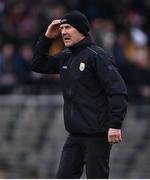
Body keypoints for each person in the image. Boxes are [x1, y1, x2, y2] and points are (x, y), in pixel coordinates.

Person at [31, 10, 128, 179]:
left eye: (68, 27)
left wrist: (115, 124)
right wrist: (47, 37)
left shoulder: (98, 56)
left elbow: (118, 90)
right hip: (74, 135)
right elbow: (38, 65)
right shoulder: (66, 56)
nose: (63, 32)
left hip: (97, 135)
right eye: (62, 28)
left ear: (81, 30)